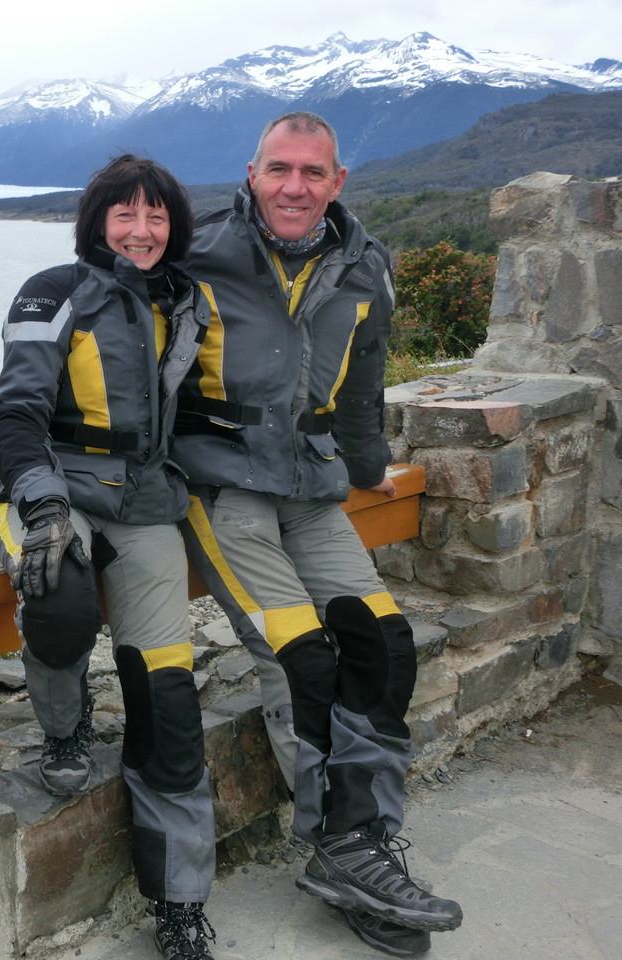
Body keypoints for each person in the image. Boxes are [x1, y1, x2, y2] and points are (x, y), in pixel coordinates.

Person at [173, 112, 462, 958]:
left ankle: (362, 843)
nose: (294, 187)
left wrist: (370, 461)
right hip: (219, 484)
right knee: (301, 656)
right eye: (279, 169)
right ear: (252, 173)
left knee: (383, 644)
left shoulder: (366, 264)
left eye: (313, 172)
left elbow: (364, 377)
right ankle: (340, 843)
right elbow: (127, 362)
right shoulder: (197, 250)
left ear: (338, 182)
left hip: (309, 483)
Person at [0, 154, 217, 960]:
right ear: (97, 221)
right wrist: (43, 505)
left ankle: (181, 901)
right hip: (50, 489)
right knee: (60, 596)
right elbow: (12, 416)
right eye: (126, 215)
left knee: (169, 699)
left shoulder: (183, 304)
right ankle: (64, 723)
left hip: (147, 501)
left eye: (157, 217)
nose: (143, 231)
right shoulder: (54, 291)